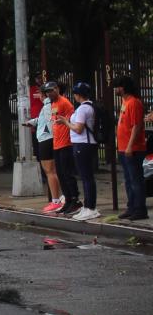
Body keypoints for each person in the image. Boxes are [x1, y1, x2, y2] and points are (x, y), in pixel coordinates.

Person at [58, 81, 100, 221]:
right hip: (84, 144)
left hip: (83, 144)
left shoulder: (83, 109)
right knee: (86, 176)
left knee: (86, 177)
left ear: (78, 95)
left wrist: (66, 123)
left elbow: (78, 128)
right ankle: (88, 206)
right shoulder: (88, 106)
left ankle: (90, 207)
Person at [112, 75, 148, 222]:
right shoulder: (125, 102)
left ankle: (140, 209)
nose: (115, 89)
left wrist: (130, 146)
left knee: (135, 180)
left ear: (123, 88)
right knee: (128, 180)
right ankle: (132, 206)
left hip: (133, 148)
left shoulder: (134, 103)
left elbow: (136, 126)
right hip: (123, 147)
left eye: (117, 86)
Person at [45, 81, 80, 216]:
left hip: (66, 143)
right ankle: (68, 199)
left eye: (51, 90)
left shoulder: (65, 103)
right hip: (57, 143)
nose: (49, 94)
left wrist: (65, 122)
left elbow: (72, 120)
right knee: (60, 173)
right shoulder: (53, 104)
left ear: (57, 89)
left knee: (67, 173)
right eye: (47, 92)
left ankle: (75, 199)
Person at [26, 86, 62, 212]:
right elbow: (45, 119)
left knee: (49, 171)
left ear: (44, 95)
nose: (39, 97)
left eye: (40, 94)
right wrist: (33, 122)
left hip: (46, 139)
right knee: (53, 171)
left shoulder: (47, 106)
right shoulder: (51, 105)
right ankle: (58, 198)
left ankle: (55, 200)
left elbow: (50, 121)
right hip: (50, 139)